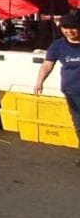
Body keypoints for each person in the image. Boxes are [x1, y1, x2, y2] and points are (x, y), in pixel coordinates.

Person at [34, 13, 80, 145]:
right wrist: (39, 81)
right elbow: (47, 65)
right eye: (65, 27)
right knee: (79, 123)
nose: (69, 31)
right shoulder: (57, 46)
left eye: (73, 27)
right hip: (72, 91)